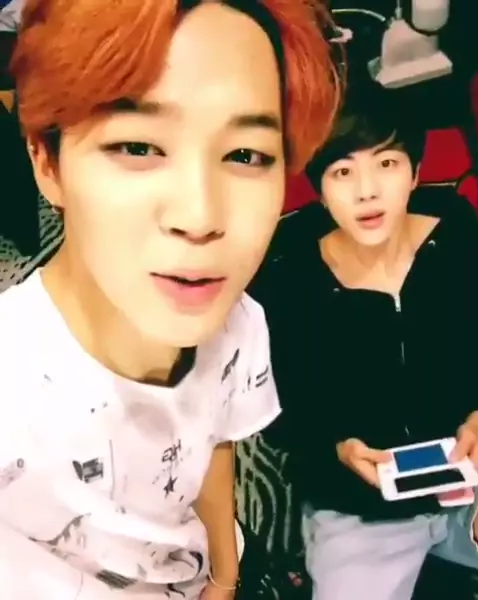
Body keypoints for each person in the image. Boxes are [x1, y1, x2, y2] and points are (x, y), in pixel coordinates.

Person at [0, 0, 340, 598]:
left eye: (246, 155)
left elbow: (214, 443)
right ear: (47, 162)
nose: (200, 217)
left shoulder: (239, 325)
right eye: (137, 147)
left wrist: (225, 575)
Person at [249, 80, 478, 600]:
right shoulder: (289, 276)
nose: (367, 191)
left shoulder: (458, 236)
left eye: (387, 164)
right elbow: (281, 411)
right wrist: (337, 447)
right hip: (360, 510)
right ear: (319, 187)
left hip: (470, 476)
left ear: (415, 173)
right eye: (343, 171)